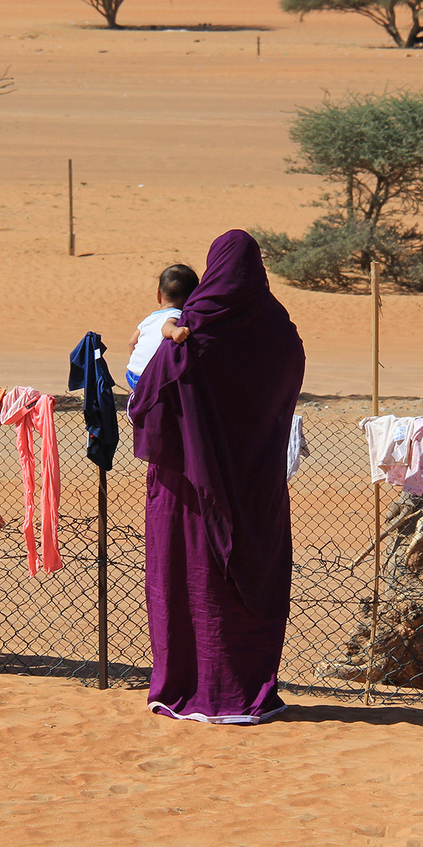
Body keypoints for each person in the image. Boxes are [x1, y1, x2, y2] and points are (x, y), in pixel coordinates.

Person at [127, 230, 306, 724]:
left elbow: (148, 399)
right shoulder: (280, 329)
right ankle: (245, 690)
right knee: (249, 578)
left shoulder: (195, 326)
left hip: (189, 485)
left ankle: (193, 689)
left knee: (191, 577)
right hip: (258, 485)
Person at [125, 264, 198, 392]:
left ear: (158, 295)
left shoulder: (149, 319)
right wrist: (174, 331)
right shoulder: (177, 315)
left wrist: (137, 364)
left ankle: (133, 398)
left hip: (132, 374)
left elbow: (132, 342)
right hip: (150, 378)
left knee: (135, 394)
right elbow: (166, 327)